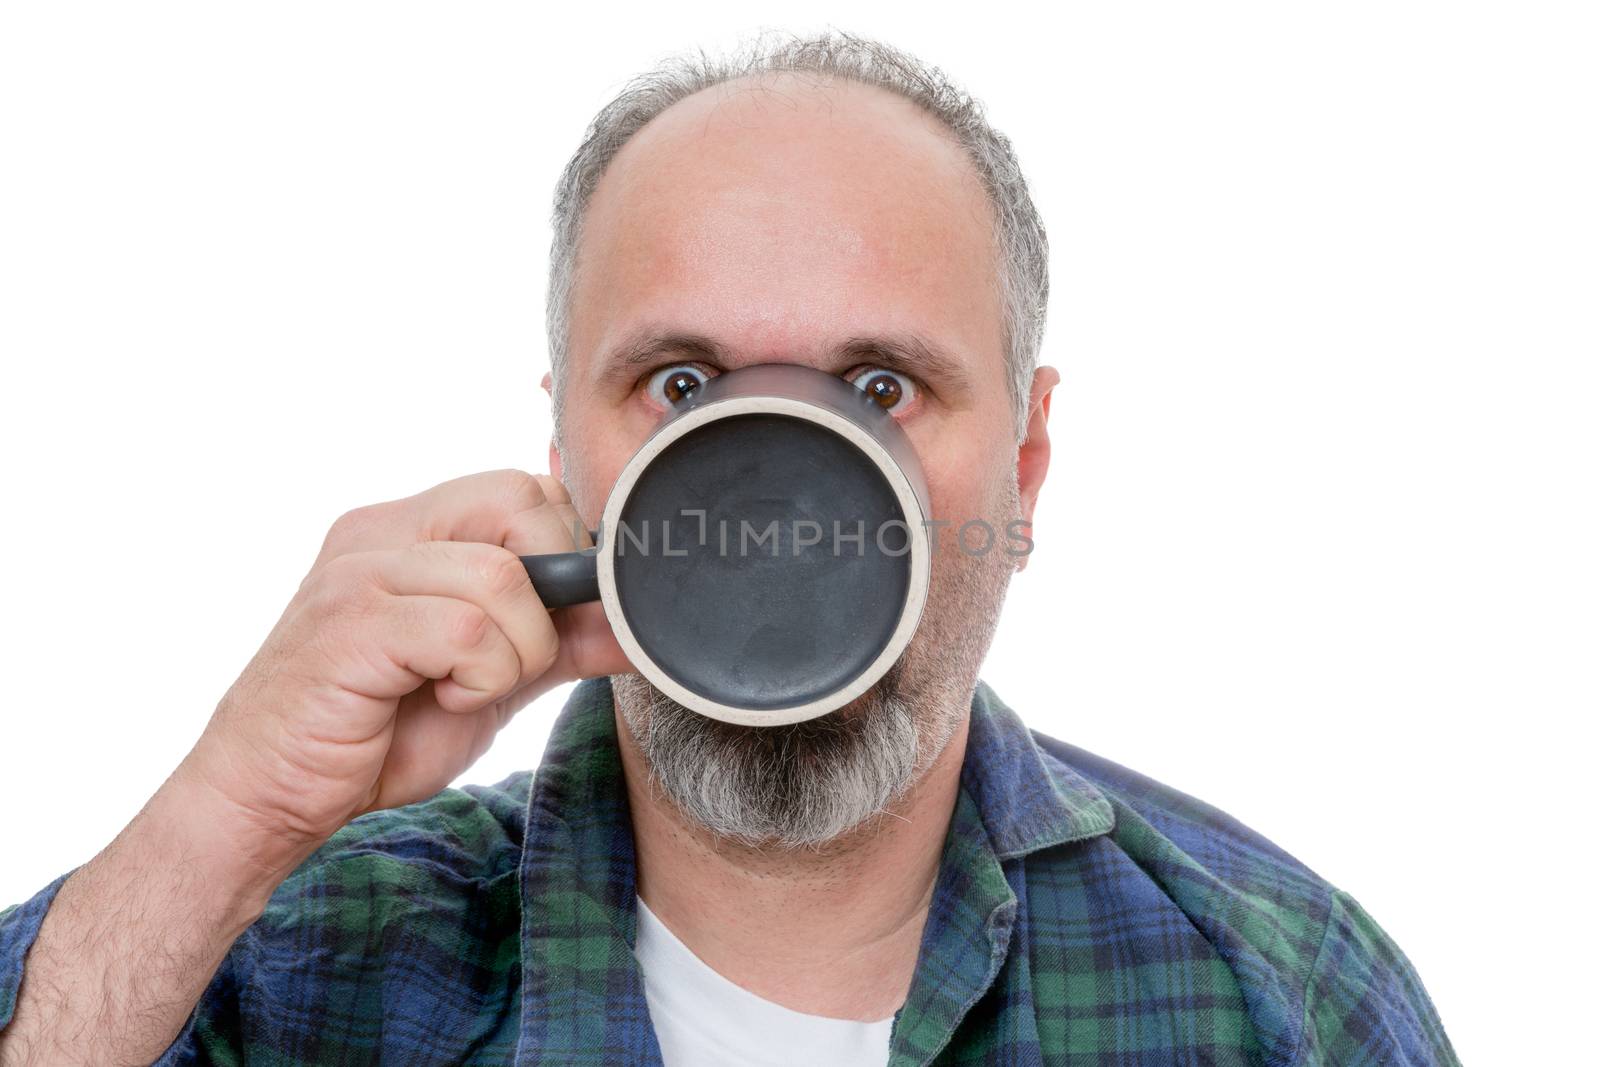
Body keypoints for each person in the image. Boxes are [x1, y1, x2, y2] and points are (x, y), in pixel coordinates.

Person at [0, 30, 1460, 1066]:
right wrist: (220, 824)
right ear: (568, 455)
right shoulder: (291, 963)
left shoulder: (1280, 1003)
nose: (784, 489)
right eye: (685, 390)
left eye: (881, 388)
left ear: (1025, 461)